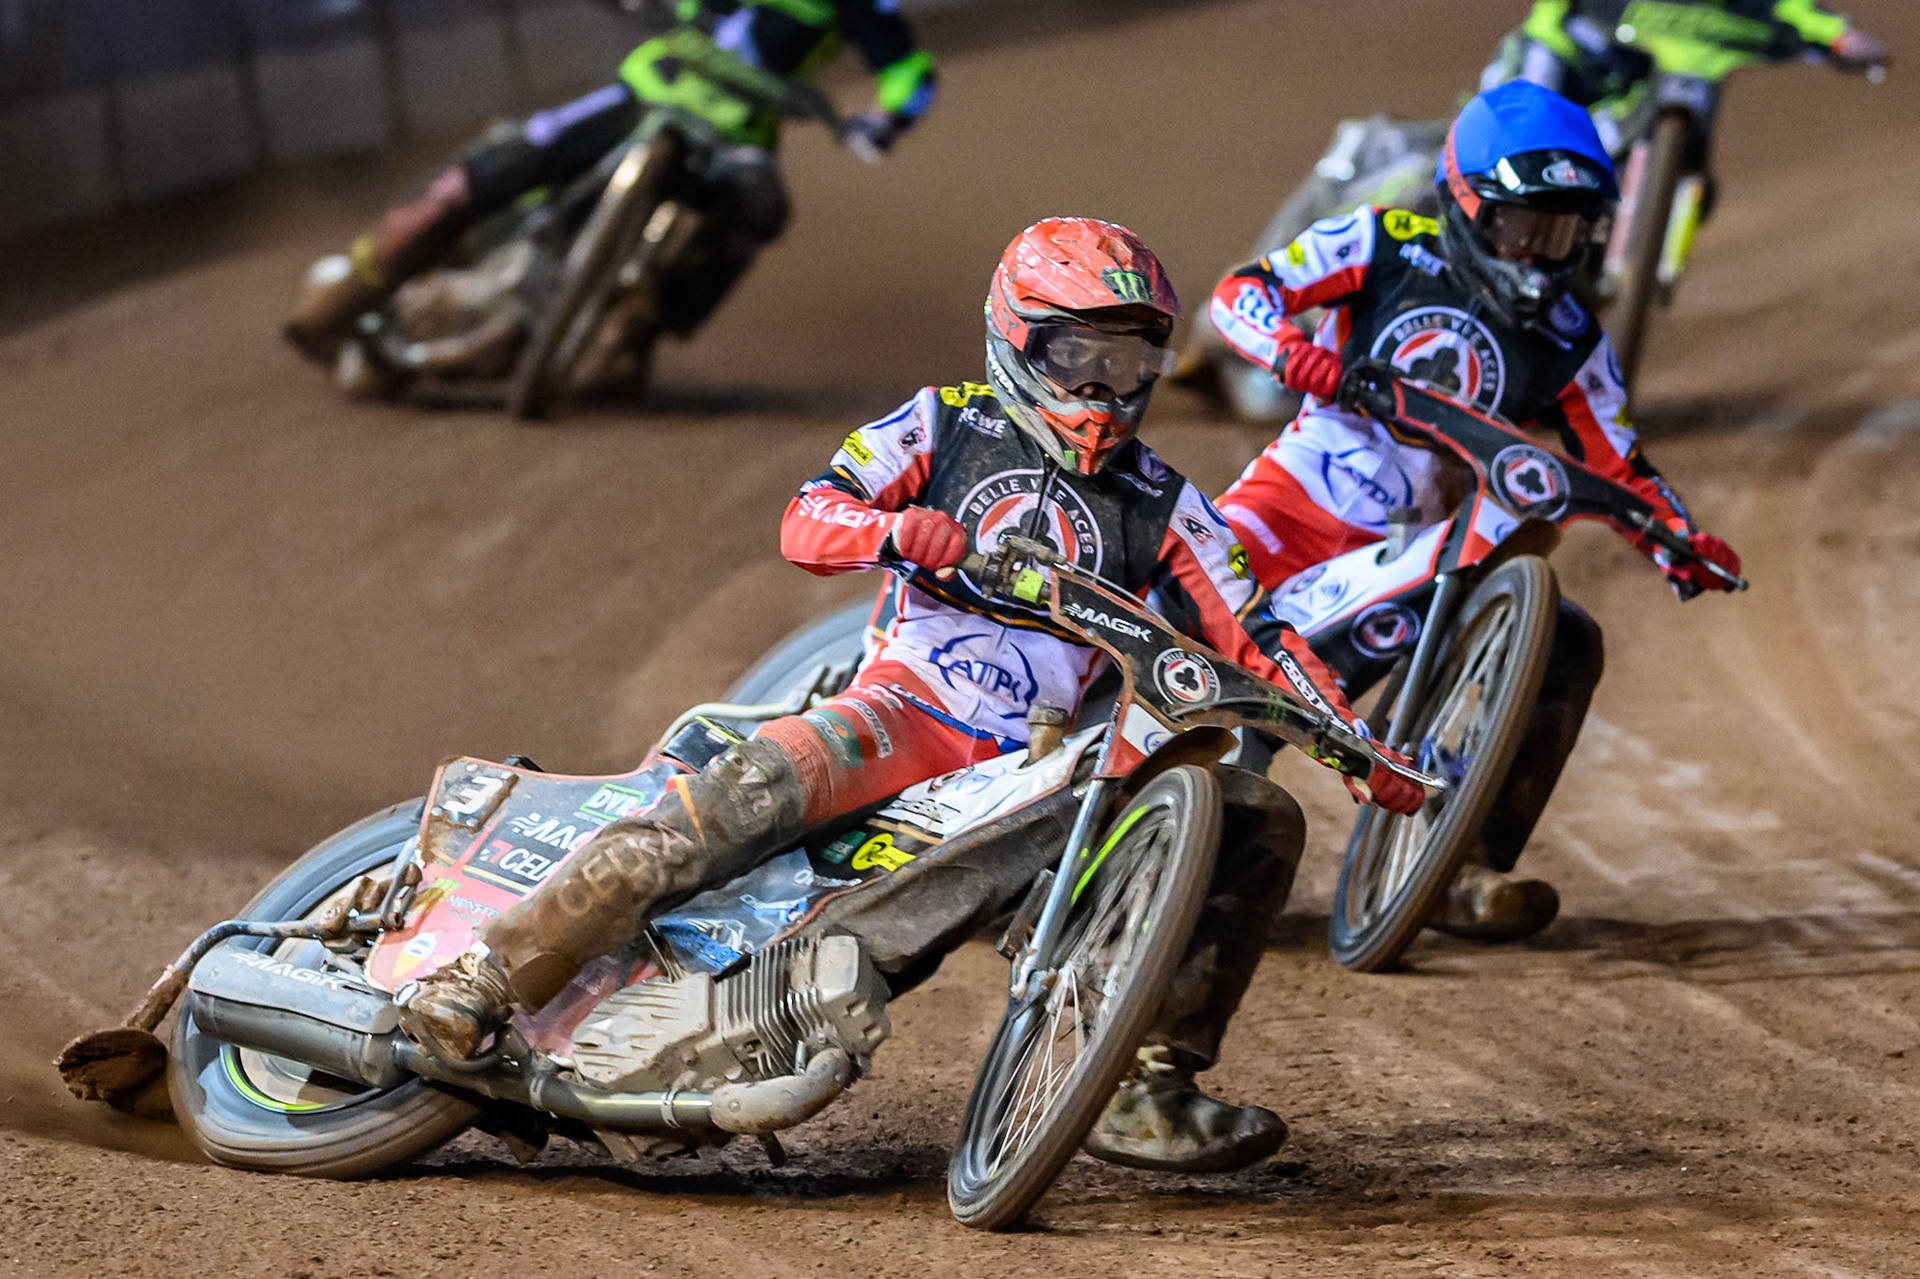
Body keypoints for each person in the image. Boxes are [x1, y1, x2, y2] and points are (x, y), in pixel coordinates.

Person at [394, 217, 1423, 1174]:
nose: (1105, 387)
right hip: (898, 713)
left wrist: (1353, 741)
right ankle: (482, 981)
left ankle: (1147, 1083)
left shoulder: (1168, 503)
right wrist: (889, 531)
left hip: (1039, 766)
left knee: (1257, 814)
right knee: (725, 810)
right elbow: (808, 517)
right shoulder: (943, 423)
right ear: (1018, 342)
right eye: (1080, 356)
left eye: (1129, 360)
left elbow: (1261, 631)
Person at [1205, 82, 1743, 942]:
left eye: (1563, 231)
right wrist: (1294, 354)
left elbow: (1620, 460)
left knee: (1565, 639)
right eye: (1524, 226)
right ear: (1465, 203)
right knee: (1183, 671)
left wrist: (1681, 536)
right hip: (1287, 511)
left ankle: (1456, 868)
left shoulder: (1573, 339)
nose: (1539, 254)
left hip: (1424, 552)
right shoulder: (1383, 241)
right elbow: (1239, 294)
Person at [284, 0, 939, 362]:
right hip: (644, 94)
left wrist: (883, 121)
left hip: (738, 135)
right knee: (471, 182)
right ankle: (351, 287)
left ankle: (639, 332)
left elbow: (909, 69)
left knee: (761, 211)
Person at [1482, 0, 1888, 155]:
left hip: (1647, 90)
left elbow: (1797, 10)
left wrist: (1841, 37)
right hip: (1570, 63)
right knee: (1519, 127)